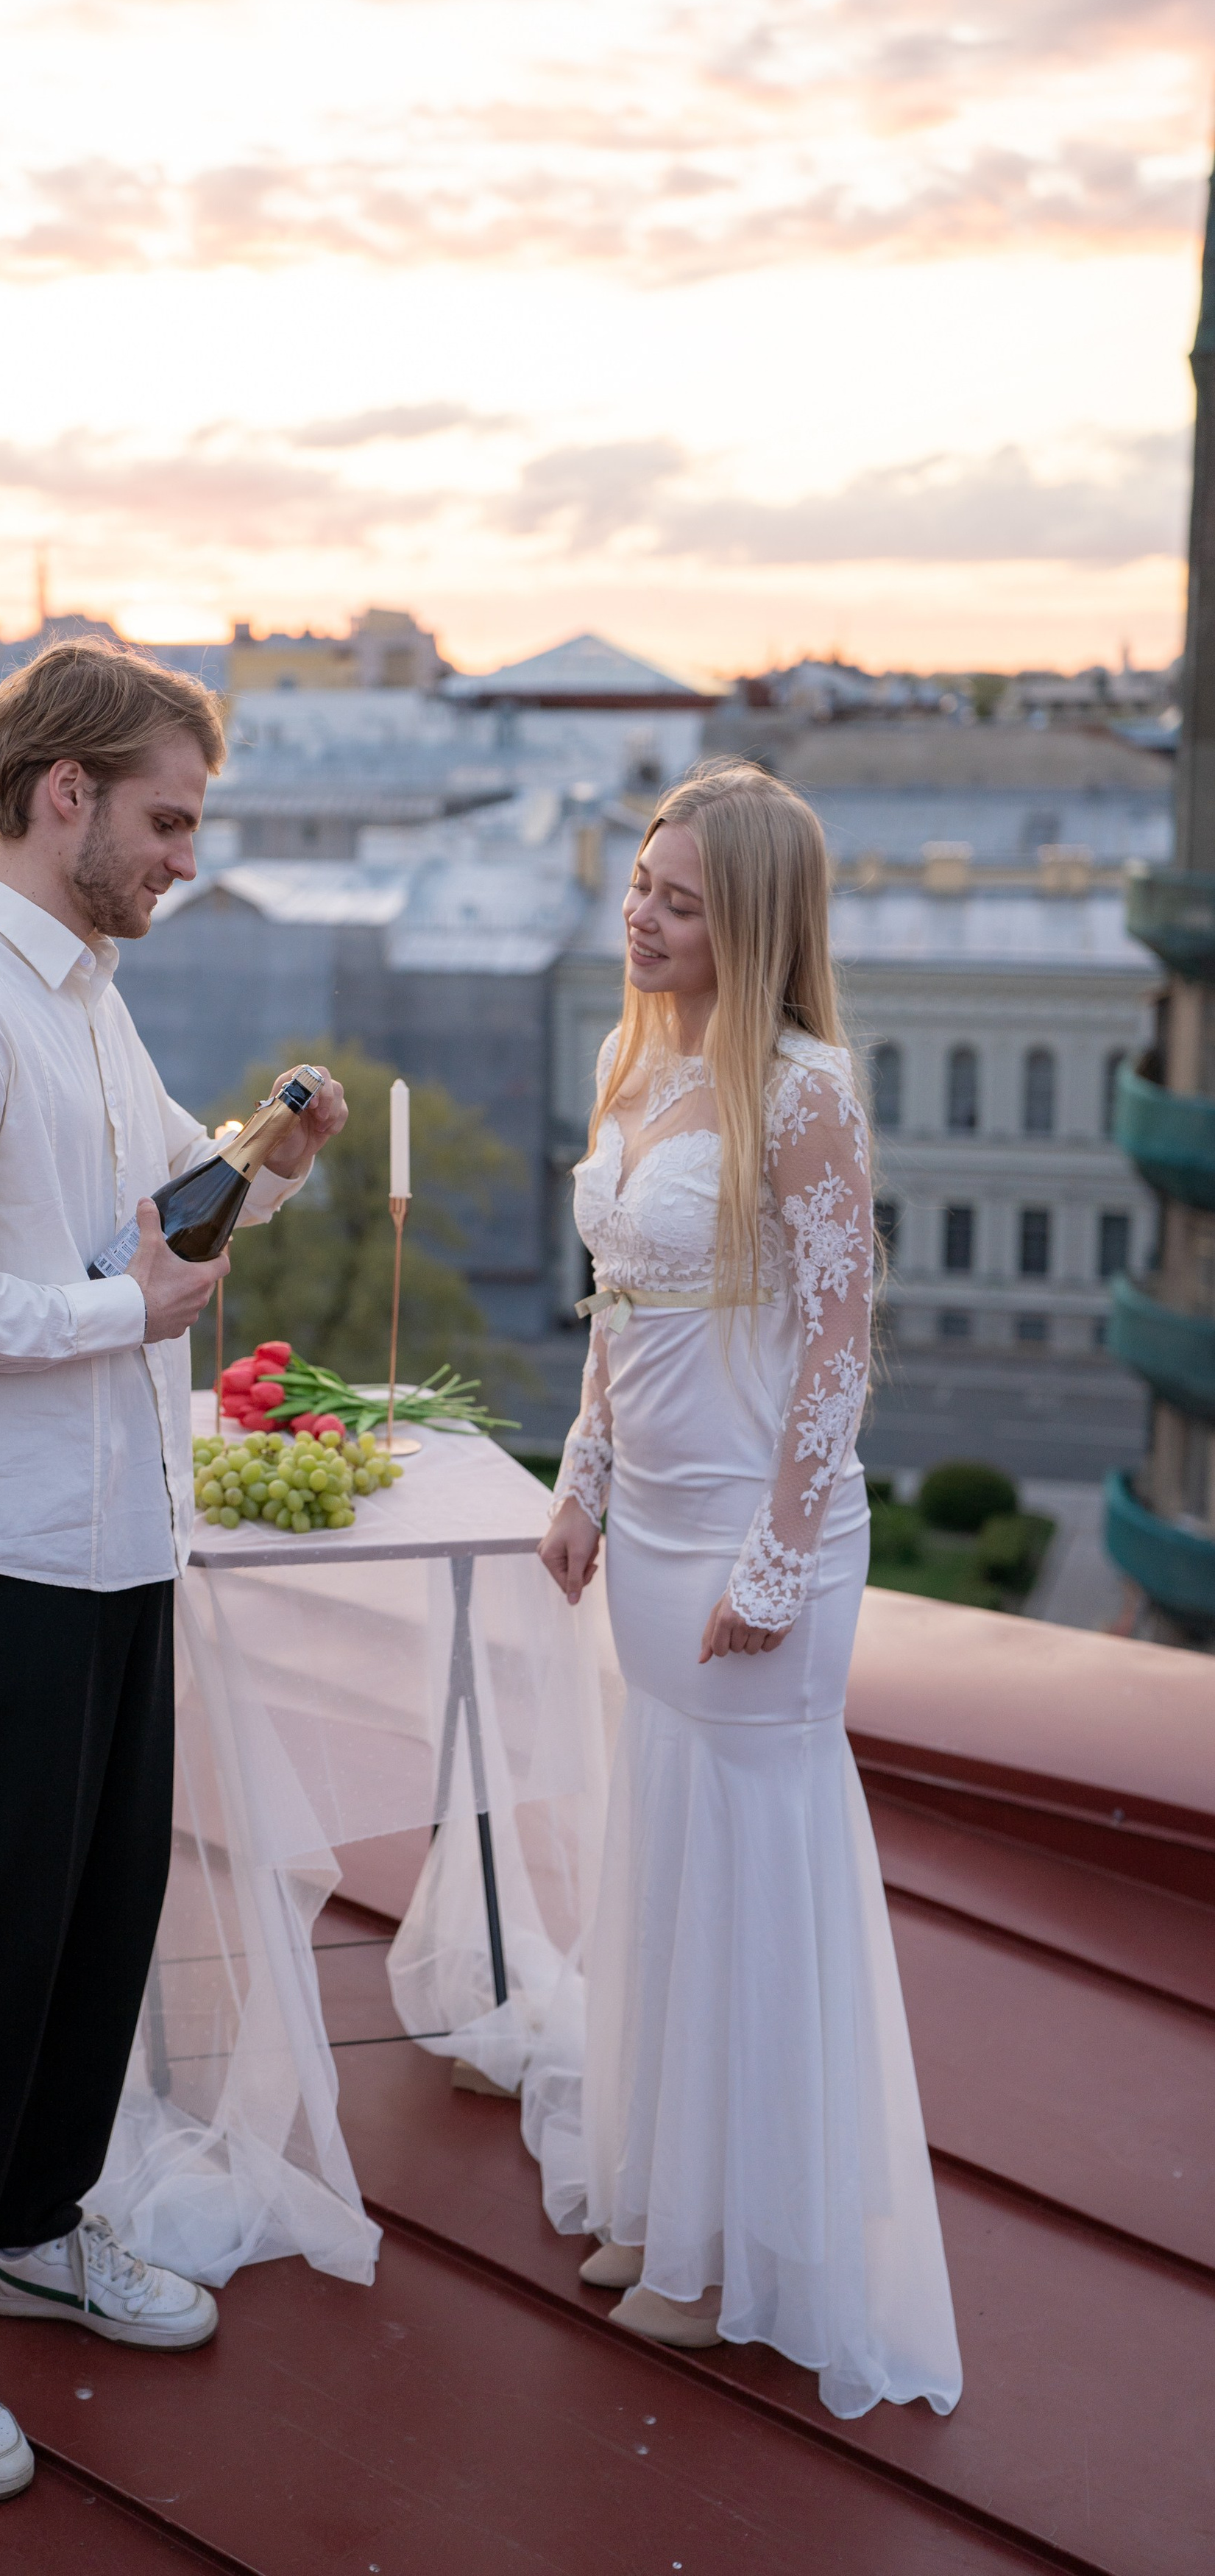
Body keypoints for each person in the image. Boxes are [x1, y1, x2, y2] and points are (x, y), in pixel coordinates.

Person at [0, 638, 347, 2500]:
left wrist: (259, 1170)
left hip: (120, 1534)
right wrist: (119, 1303)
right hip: (2, 1550)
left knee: (96, 1915)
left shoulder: (84, 992)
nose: (185, 855)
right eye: (167, 819)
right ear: (64, 799)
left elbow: (143, 1223)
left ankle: (32, 2223)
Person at [535, 758, 961, 2422]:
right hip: (645, 1531)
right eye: (638, 886)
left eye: (678, 900)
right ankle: (666, 2205)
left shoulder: (800, 1094)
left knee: (748, 1878)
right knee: (667, 1854)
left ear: (755, 920)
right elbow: (617, 1304)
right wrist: (579, 1480)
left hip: (756, 1546)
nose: (639, 917)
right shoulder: (629, 1058)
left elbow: (838, 1347)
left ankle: (735, 2258)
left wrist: (778, 1562)